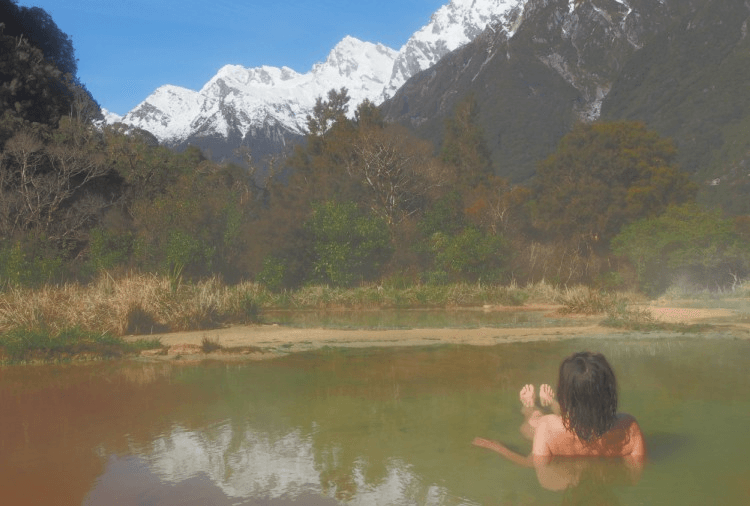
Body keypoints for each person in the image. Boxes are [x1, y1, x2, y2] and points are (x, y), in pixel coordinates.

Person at [473, 352, 646, 490]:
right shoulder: (629, 426)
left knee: (532, 423)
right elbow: (636, 468)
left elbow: (529, 463)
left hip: (557, 434)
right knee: (546, 423)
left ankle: (529, 407)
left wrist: (496, 446)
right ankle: (552, 404)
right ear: (610, 394)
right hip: (586, 438)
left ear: (564, 393)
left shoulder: (547, 427)